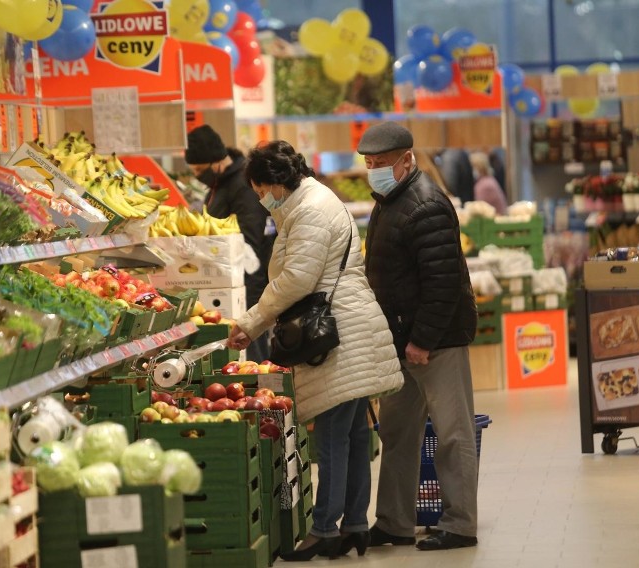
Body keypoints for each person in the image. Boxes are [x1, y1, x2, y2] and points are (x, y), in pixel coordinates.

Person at [226, 140, 404, 561]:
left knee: (332, 438)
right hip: (349, 325)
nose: (260, 199)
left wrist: (251, 322)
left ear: (272, 182)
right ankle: (355, 525)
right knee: (355, 434)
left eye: (259, 190)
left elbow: (296, 281)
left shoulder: (308, 211)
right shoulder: (313, 201)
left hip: (336, 334)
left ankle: (326, 529)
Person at [357, 122, 480, 551]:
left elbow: (443, 282)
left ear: (407, 160)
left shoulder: (425, 204)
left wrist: (423, 340)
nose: (373, 170)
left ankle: (461, 524)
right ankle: (394, 521)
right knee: (398, 433)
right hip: (399, 342)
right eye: (369, 164)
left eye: (381, 164)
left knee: (452, 433)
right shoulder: (389, 200)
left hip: (436, 340)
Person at [185, 125, 274, 362]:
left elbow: (250, 240)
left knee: (252, 354)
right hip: (225, 278)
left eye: (200, 169)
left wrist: (251, 302)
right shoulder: (219, 183)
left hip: (246, 282)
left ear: (216, 161)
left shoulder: (242, 185)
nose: (197, 175)